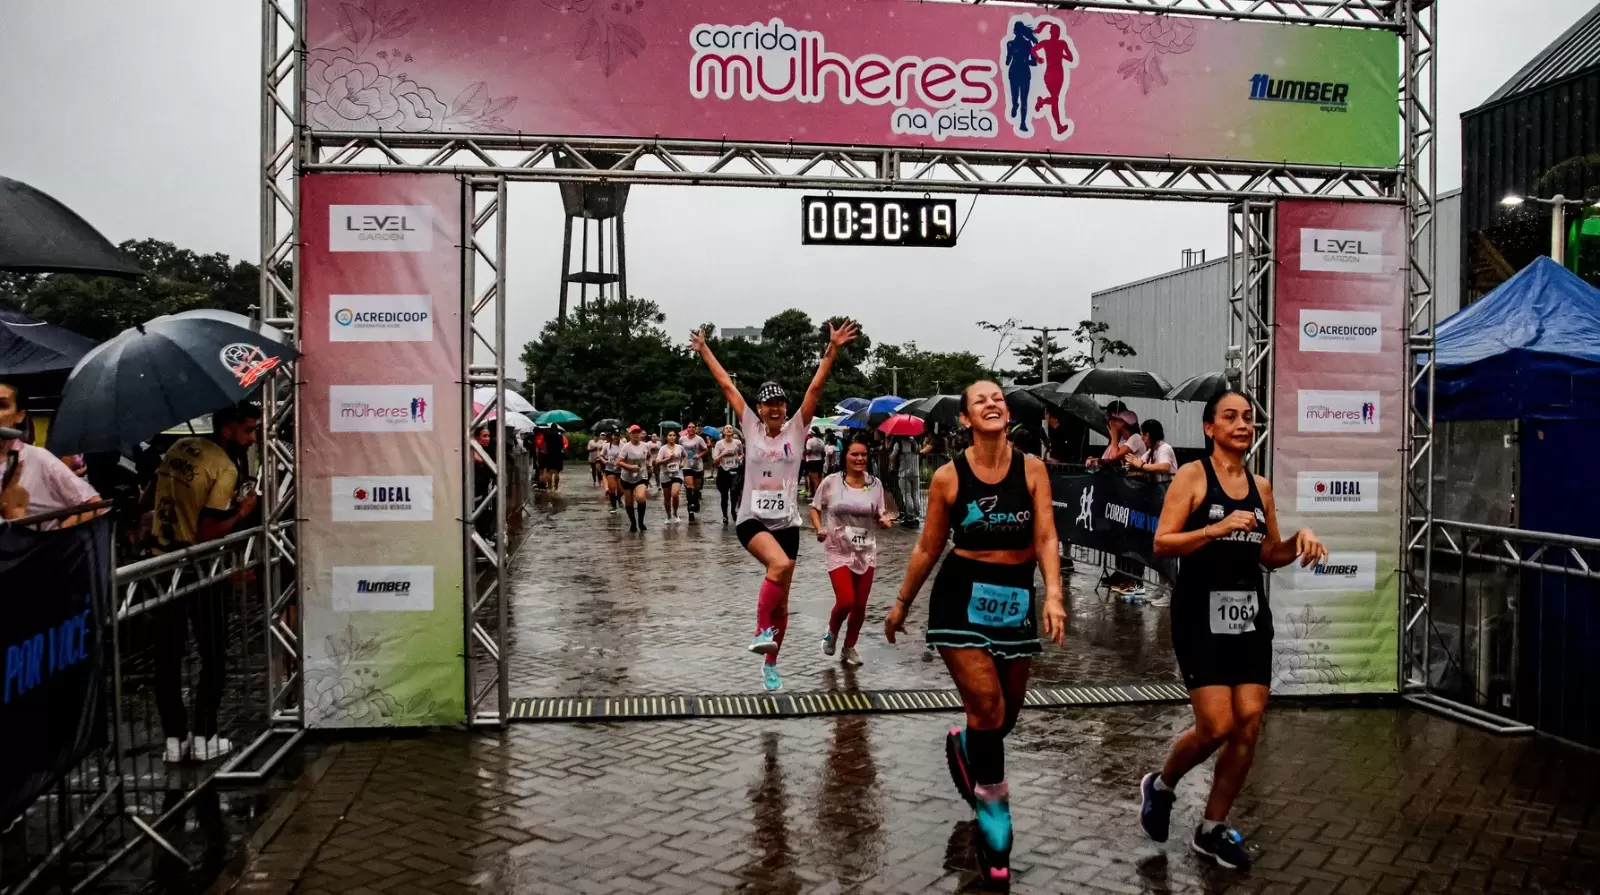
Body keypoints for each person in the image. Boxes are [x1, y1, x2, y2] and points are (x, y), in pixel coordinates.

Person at [884, 380, 1066, 885]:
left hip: (1015, 596)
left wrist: (1053, 594)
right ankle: (994, 814)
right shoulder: (948, 477)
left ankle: (967, 745)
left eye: (998, 398)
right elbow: (927, 547)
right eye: (980, 400)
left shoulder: (1032, 469)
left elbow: (1046, 535)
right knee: (986, 705)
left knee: (1003, 717)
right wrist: (901, 604)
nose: (992, 403)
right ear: (965, 419)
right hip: (960, 596)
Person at [1137, 391, 1327, 870]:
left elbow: (1269, 555)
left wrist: (1299, 539)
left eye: (1248, 417)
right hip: (1199, 612)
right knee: (1217, 725)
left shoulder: (1260, 486)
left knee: (1249, 723)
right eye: (1230, 417)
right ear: (1209, 427)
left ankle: (1212, 828)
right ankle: (1161, 786)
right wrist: (1213, 531)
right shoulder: (1192, 475)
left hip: (1248, 614)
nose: (1242, 424)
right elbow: (1162, 542)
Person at [691, 320, 858, 691]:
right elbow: (727, 385)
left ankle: (770, 665)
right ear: (759, 408)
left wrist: (832, 350)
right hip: (752, 520)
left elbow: (815, 388)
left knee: (782, 604)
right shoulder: (749, 427)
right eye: (769, 403)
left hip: (786, 526)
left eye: (780, 403)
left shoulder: (797, 430)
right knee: (778, 566)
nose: (776, 408)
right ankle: (759, 629)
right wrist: (704, 350)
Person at [147, 401, 262, 764]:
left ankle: (174, 739)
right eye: (248, 430)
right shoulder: (224, 467)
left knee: (167, 658)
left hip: (160, 563)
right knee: (213, 654)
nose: (252, 438)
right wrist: (242, 511)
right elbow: (208, 531)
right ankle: (204, 736)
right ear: (227, 429)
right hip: (199, 570)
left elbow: (147, 501)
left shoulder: (178, 448)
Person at [810, 435, 890, 668]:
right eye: (854, 454)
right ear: (845, 456)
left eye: (864, 454)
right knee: (846, 601)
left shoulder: (875, 484)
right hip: (838, 548)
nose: (859, 458)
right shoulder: (831, 482)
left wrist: (884, 520)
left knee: (860, 605)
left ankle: (849, 646)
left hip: (865, 550)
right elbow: (815, 508)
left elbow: (881, 512)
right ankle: (832, 632)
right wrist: (819, 528)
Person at [0, 379, 102, 527]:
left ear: (20, 415)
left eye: (2, 405)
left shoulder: (38, 458)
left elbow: (95, 506)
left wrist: (53, 536)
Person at [617, 426, 652, 532]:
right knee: (629, 502)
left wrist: (649, 464)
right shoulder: (626, 447)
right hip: (627, 477)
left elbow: (649, 456)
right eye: (633, 433)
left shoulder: (645, 445)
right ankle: (633, 523)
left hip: (641, 476)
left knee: (640, 497)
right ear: (630, 435)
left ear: (641, 434)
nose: (636, 435)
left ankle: (641, 522)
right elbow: (618, 462)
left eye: (638, 432)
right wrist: (630, 467)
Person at [1126, 419, 1177, 484]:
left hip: (1168, 487)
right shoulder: (1151, 451)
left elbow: (1165, 467)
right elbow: (1142, 462)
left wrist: (1142, 465)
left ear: (1147, 436)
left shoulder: (1165, 448)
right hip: (1158, 487)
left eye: (1142, 435)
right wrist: (1133, 463)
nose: (1141, 438)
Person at [679, 422, 710, 523]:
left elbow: (706, 450)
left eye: (693, 427)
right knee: (689, 487)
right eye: (689, 427)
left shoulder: (699, 439)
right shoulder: (682, 439)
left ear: (695, 429)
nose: (691, 429)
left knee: (696, 488)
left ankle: (696, 502)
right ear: (687, 429)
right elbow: (680, 450)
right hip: (687, 465)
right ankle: (690, 510)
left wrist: (699, 455)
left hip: (697, 465)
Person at [655, 428, 686, 523]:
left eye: (674, 435)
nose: (672, 437)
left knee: (675, 494)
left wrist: (682, 464)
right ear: (666, 437)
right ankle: (668, 515)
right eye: (670, 435)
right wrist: (668, 459)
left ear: (676, 437)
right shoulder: (663, 449)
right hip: (665, 474)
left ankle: (675, 513)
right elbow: (657, 462)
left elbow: (684, 456)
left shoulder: (679, 447)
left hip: (677, 473)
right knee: (667, 497)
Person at [713, 428, 744, 524]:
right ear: (723, 432)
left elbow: (742, 454)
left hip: (734, 470)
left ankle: (733, 510)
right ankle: (725, 515)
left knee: (734, 492)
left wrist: (739, 458)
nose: (729, 429)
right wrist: (722, 454)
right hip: (723, 471)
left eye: (730, 428)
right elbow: (715, 460)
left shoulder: (738, 442)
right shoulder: (719, 444)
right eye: (726, 428)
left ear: (733, 432)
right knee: (724, 495)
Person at [894, 435, 922, 527]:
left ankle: (910, 516)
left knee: (907, 494)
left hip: (904, 472)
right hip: (916, 472)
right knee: (916, 493)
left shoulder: (899, 443)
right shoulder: (916, 442)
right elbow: (919, 453)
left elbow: (893, 456)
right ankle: (916, 515)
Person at [601, 432, 623, 512]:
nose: (615, 438)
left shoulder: (623, 445)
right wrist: (604, 461)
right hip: (610, 469)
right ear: (612, 437)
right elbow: (601, 455)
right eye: (614, 436)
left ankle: (618, 499)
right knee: (612, 487)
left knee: (621, 490)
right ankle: (614, 506)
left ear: (620, 437)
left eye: (617, 436)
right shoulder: (607, 445)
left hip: (620, 470)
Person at [542, 426, 567, 492]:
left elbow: (544, 445)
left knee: (549, 472)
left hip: (549, 454)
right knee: (556, 472)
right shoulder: (559, 436)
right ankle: (556, 488)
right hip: (558, 455)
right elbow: (562, 446)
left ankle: (549, 488)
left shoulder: (547, 435)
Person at [803, 428, 826, 500]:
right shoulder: (822, 441)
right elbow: (823, 453)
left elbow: (808, 451)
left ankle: (817, 497)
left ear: (812, 433)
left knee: (814, 479)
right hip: (820, 461)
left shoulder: (810, 441)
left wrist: (803, 452)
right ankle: (814, 494)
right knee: (819, 479)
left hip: (812, 461)